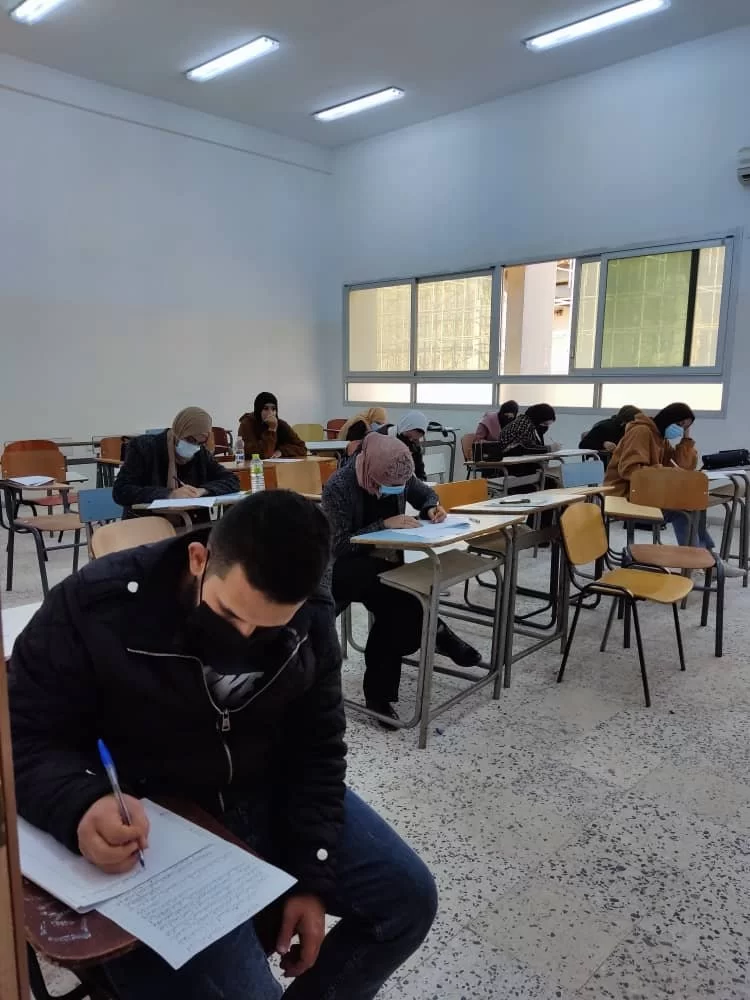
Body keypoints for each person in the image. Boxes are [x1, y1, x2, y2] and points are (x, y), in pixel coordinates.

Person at [8, 491, 437, 1000]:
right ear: (199, 559)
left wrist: (311, 874)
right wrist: (81, 803)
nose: (244, 638)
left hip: (264, 790)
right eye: (230, 615)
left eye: (268, 628)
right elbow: (21, 733)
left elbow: (317, 749)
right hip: (157, 822)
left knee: (409, 901)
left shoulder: (309, 617)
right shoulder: (96, 607)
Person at [323, 434, 481, 724]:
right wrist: (382, 525)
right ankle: (436, 631)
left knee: (399, 609)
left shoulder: (399, 471)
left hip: (385, 565)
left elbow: (424, 493)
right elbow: (338, 544)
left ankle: (379, 696)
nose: (392, 490)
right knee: (404, 596)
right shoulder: (339, 486)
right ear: (369, 469)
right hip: (347, 569)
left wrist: (432, 507)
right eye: (386, 486)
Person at [604, 402, 742, 572]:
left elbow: (684, 466)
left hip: (644, 494)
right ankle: (703, 562)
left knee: (692, 504)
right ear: (668, 419)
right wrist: (666, 471)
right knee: (681, 512)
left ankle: (708, 558)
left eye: (685, 427)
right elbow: (629, 470)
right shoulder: (641, 431)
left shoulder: (660, 438)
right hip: (623, 497)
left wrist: (686, 438)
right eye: (680, 424)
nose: (680, 429)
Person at [112, 407, 240, 518]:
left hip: (190, 524)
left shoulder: (200, 454)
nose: (194, 446)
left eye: (200, 442)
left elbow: (232, 480)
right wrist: (170, 494)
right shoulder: (144, 448)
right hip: (146, 524)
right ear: (179, 432)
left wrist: (203, 490)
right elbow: (121, 490)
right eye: (190, 439)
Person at [237, 393, 307, 460]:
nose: (270, 413)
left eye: (273, 409)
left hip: (276, 465)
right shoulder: (247, 424)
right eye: (266, 408)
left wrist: (282, 451)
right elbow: (262, 454)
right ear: (258, 410)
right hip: (253, 466)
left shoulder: (281, 424)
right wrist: (272, 429)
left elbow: (302, 448)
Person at [377, 410, 428, 480]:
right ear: (403, 427)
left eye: (415, 439)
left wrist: (421, 482)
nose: (410, 441)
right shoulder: (379, 438)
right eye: (408, 436)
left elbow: (420, 473)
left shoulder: (415, 446)